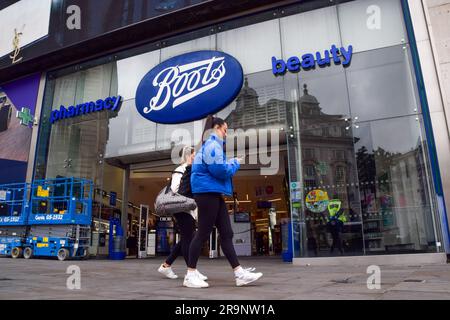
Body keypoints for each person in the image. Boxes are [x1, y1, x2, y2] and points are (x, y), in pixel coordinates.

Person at [183, 115, 263, 288]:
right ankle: (190, 274)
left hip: (212, 192)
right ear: (217, 128)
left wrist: (229, 163)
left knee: (226, 233)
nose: (226, 134)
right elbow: (220, 171)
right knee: (203, 233)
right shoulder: (212, 145)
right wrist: (234, 163)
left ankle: (239, 273)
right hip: (207, 193)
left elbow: (216, 168)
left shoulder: (212, 145)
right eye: (225, 130)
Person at [157, 146, 207, 281]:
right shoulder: (180, 170)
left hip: (187, 209)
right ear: (188, 156)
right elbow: (174, 190)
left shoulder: (190, 170)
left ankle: (166, 265)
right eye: (194, 155)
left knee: (186, 239)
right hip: (181, 209)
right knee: (188, 240)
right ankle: (192, 271)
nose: (196, 158)